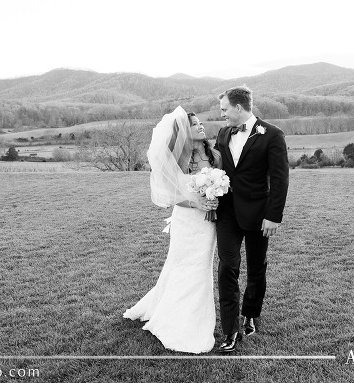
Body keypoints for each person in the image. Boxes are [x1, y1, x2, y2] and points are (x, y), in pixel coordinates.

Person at [123, 106, 222, 354]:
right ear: (183, 132)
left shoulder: (216, 156)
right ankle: (177, 320)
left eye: (200, 123)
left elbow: (223, 183)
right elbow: (171, 196)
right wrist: (196, 202)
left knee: (201, 268)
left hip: (208, 224)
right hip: (186, 221)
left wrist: (217, 194)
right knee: (180, 266)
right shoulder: (176, 159)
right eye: (195, 124)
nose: (201, 126)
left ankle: (194, 317)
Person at [213, 86, 289, 353]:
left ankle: (251, 315)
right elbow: (215, 166)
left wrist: (273, 216)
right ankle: (230, 329)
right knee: (227, 268)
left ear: (237, 107)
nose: (222, 115)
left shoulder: (272, 135)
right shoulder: (222, 134)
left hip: (259, 215)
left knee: (257, 268)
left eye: (224, 110)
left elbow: (280, 179)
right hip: (227, 214)